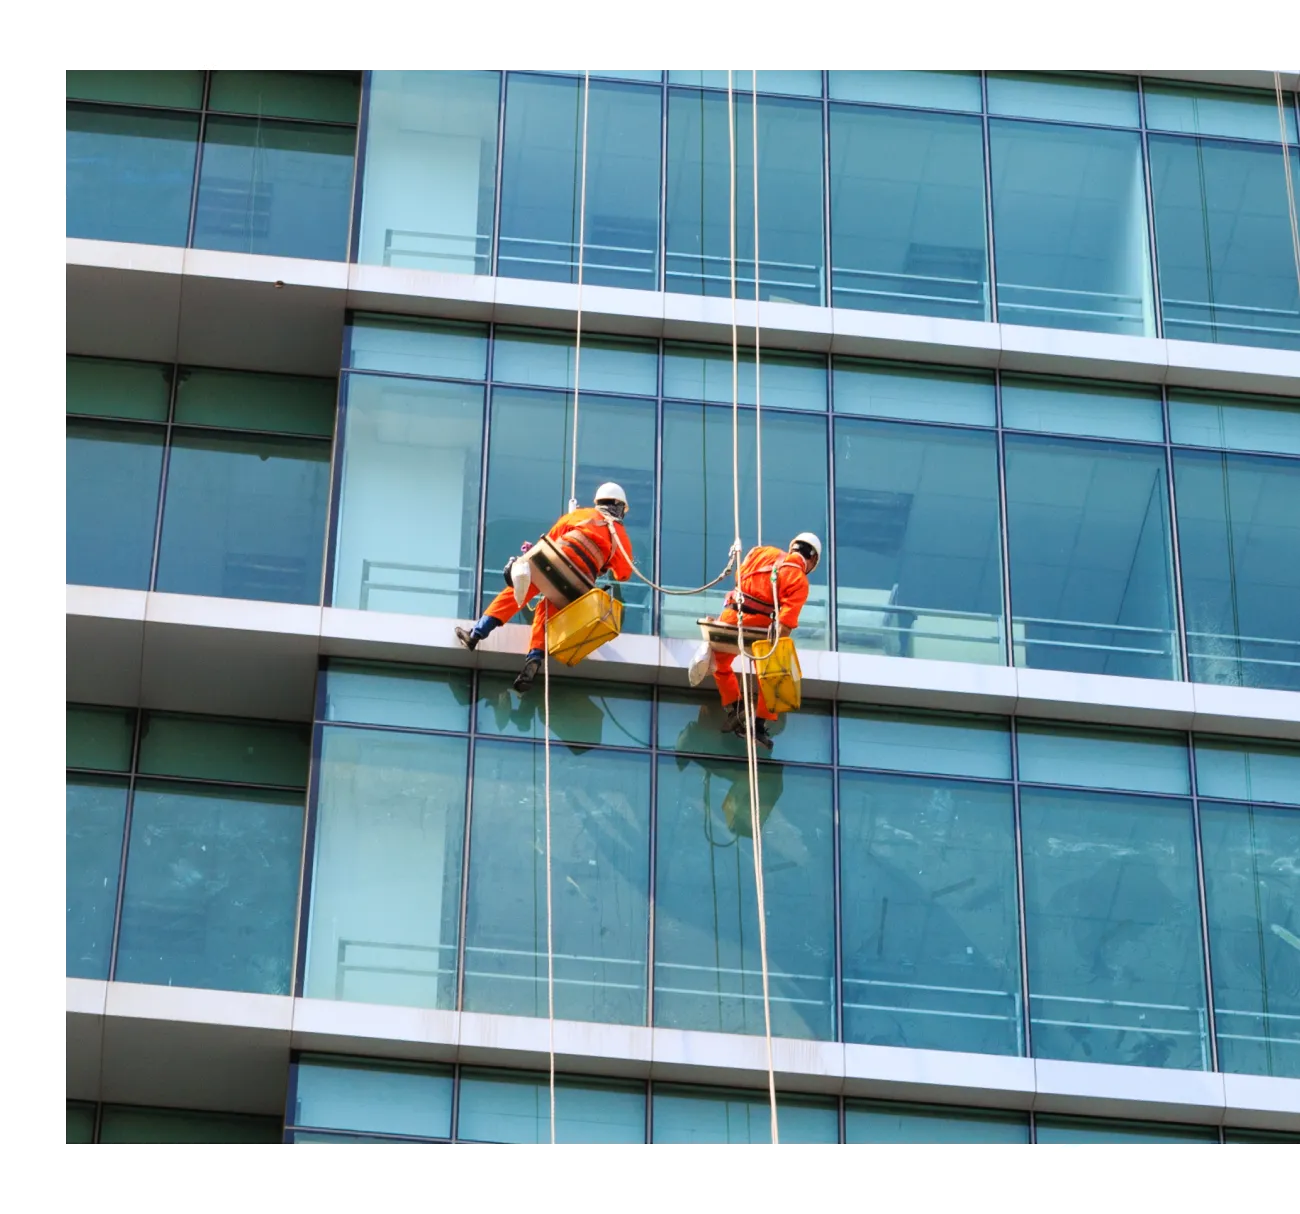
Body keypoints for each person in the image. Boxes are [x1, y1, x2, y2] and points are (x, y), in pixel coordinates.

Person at [456, 483, 634, 692]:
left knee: (519, 590)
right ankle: (534, 660)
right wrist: (604, 562)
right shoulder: (621, 537)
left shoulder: (582, 514)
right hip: (580, 583)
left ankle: (476, 633)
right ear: (619, 506)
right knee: (546, 610)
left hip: (557, 561)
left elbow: (554, 535)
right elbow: (624, 574)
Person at [710, 532, 820, 751]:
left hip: (732, 618)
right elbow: (785, 623)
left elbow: (739, 576)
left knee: (720, 663)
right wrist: (775, 648)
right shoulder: (799, 579)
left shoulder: (762, 552)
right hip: (759, 628)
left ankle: (734, 707)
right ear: (813, 559)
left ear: (793, 547)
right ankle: (758, 724)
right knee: (771, 676)